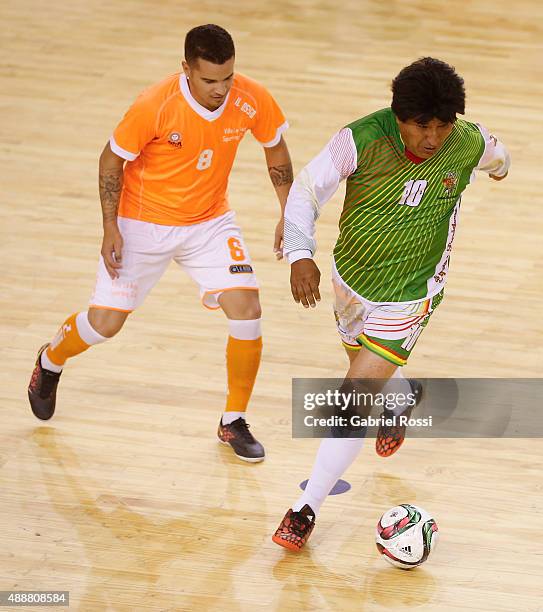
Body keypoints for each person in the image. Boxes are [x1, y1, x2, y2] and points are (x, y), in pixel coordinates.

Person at [272, 57, 510, 549]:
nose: (432, 137)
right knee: (369, 378)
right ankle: (402, 399)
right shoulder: (360, 139)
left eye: (442, 125)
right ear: (398, 115)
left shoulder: (465, 142)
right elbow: (305, 190)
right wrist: (300, 255)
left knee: (352, 400)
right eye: (422, 125)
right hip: (351, 280)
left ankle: (304, 510)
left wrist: (500, 168)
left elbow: (497, 154)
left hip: (412, 293)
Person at [27, 24, 293, 463]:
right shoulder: (155, 103)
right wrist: (110, 226)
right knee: (105, 324)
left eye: (227, 78)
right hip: (141, 223)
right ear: (185, 68)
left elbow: (276, 148)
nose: (221, 89)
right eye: (209, 80)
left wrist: (288, 212)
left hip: (209, 222)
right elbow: (111, 159)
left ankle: (233, 420)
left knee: (248, 311)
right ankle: (51, 359)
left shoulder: (250, 97)